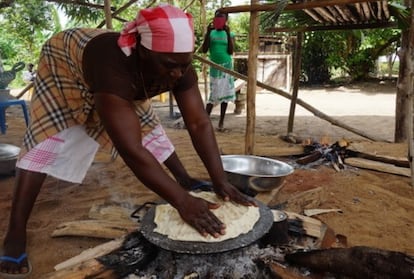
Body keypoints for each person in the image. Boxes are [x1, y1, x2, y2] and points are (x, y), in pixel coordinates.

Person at [0, 4, 255, 278]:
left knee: (148, 127)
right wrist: (183, 203)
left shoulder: (175, 64)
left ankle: (183, 178)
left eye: (184, 65)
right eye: (170, 66)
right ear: (143, 51)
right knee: (45, 139)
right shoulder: (111, 65)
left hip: (129, 77)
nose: (178, 74)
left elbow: (198, 122)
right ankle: (15, 231)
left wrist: (220, 180)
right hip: (64, 63)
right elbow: (131, 149)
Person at [202, 11, 236, 132]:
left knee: (225, 94)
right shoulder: (211, 33)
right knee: (214, 93)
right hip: (214, 66)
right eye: (217, 18)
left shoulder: (230, 34)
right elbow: (204, 50)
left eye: (222, 19)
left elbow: (231, 51)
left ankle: (221, 121)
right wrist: (207, 33)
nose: (219, 20)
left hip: (226, 66)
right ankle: (205, 121)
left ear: (226, 20)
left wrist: (227, 33)